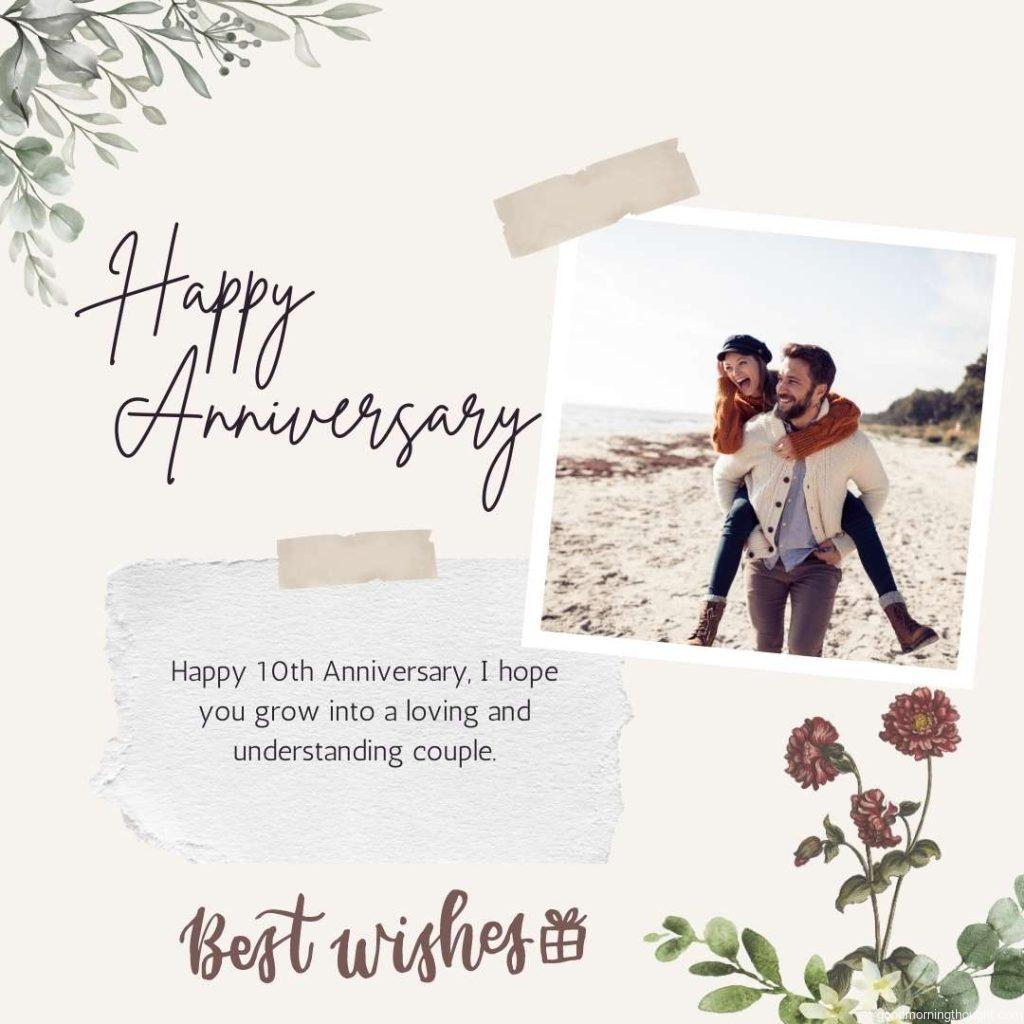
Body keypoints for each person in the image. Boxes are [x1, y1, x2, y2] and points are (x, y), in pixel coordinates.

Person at [693, 338, 937, 656]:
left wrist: (844, 545)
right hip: (764, 558)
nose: (782, 386)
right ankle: (706, 626)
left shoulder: (846, 435)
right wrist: (724, 386)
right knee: (764, 646)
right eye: (782, 378)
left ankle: (900, 619)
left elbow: (852, 418)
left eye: (792, 380)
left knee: (858, 520)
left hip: (817, 564)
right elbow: (724, 457)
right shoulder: (754, 422)